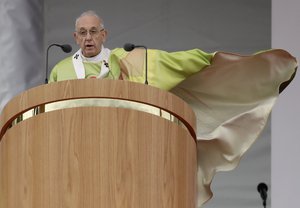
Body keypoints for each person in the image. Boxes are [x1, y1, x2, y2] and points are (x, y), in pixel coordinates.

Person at [49, 10, 297, 207]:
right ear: (75, 37)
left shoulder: (127, 61)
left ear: (104, 34)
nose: (88, 37)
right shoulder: (60, 70)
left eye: (93, 31)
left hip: (123, 153)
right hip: (75, 155)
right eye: (82, 32)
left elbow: (176, 64)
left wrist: (213, 61)